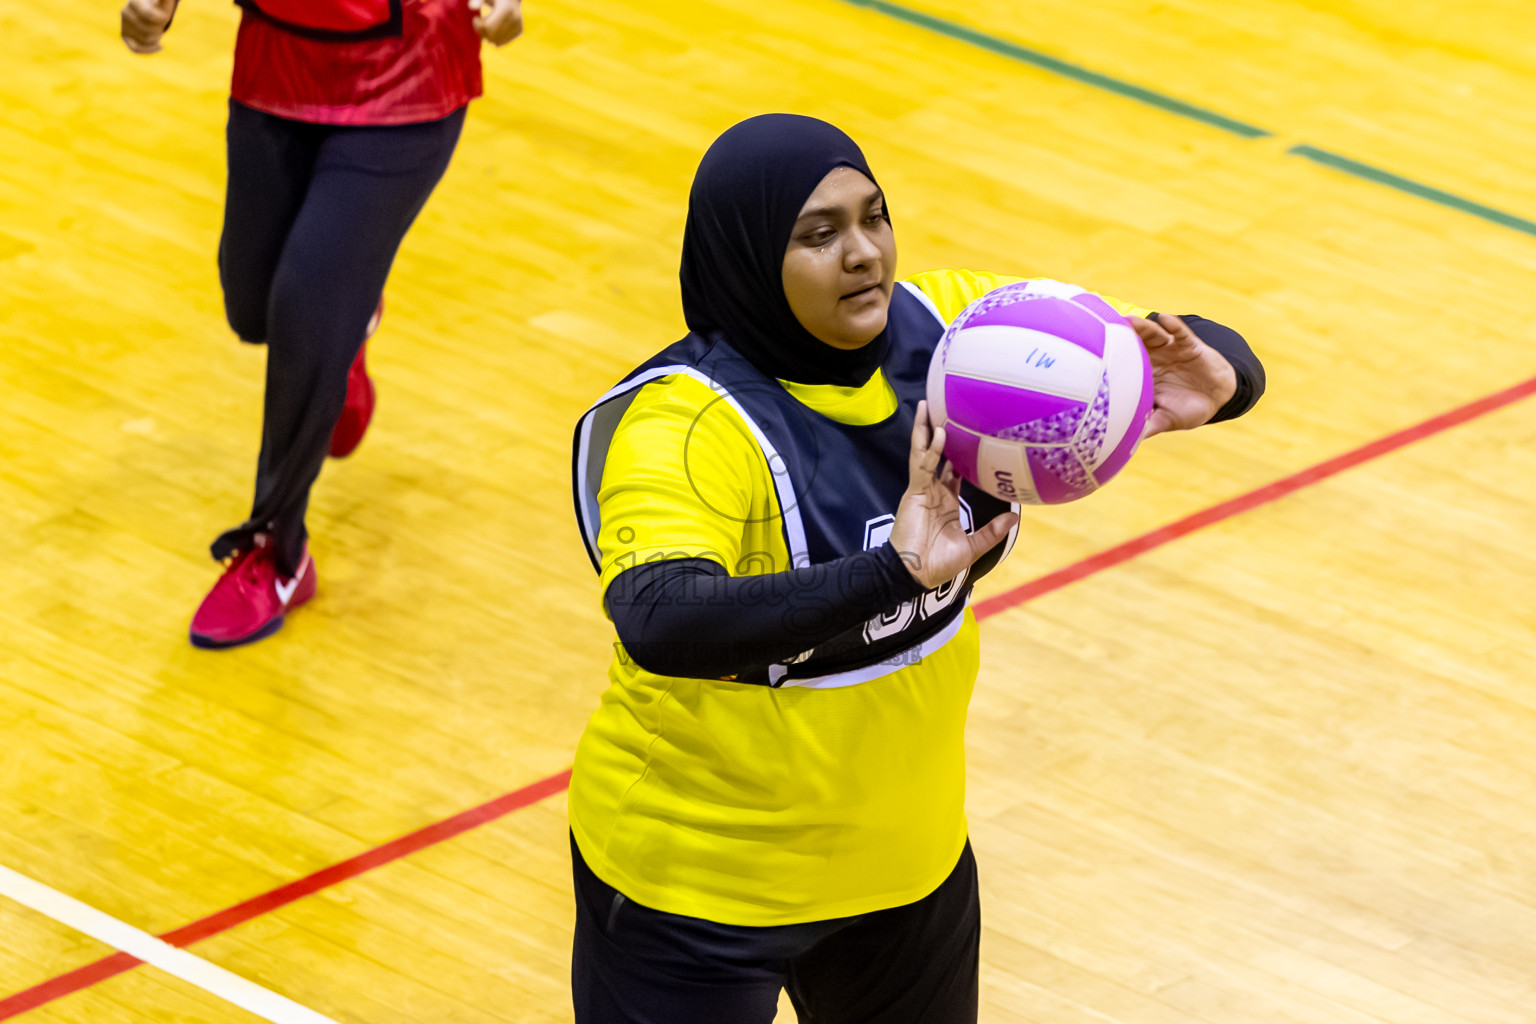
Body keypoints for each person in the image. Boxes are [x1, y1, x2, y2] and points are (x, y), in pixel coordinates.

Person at [567, 114, 1264, 1023]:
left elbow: (1138, 341)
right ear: (744, 258)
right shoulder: (685, 425)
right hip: (695, 894)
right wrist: (892, 572)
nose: (863, 254)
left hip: (907, 875)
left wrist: (1216, 383)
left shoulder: (961, 335)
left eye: (874, 217)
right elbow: (662, 620)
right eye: (818, 235)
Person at [119, 0, 526, 648]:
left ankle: (277, 551)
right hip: (277, 57)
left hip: (407, 75)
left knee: (305, 308)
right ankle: (351, 319)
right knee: (252, 306)